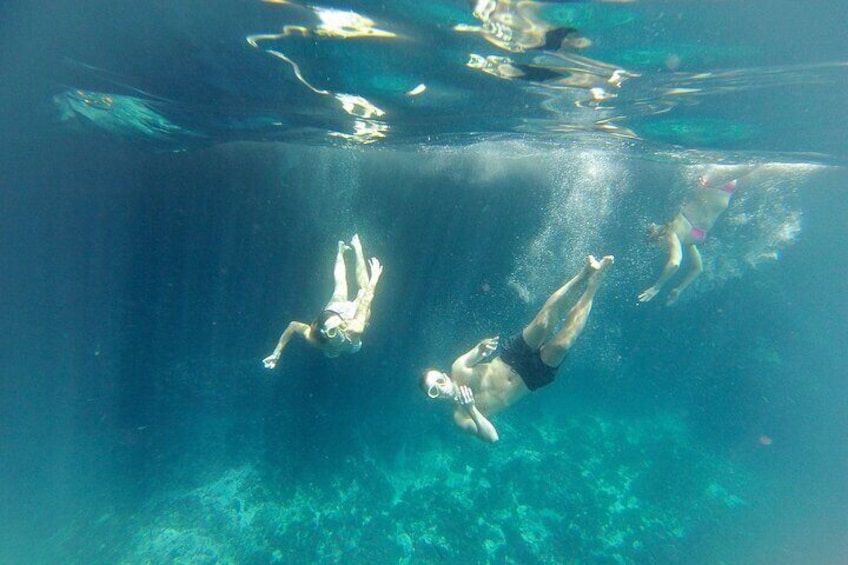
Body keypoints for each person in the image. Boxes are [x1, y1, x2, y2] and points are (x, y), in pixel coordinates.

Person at [420, 255, 614, 443]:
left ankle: (584, 274)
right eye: (434, 391)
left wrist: (482, 348)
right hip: (529, 380)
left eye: (438, 381)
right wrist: (471, 408)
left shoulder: (458, 368)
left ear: (444, 376)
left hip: (510, 357)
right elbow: (492, 438)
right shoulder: (460, 418)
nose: (440, 388)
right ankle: (593, 285)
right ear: (434, 398)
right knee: (562, 345)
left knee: (542, 323)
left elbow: (477, 352)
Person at [638, 165, 758, 305]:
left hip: (712, 184)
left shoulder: (671, 232)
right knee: (750, 165)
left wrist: (657, 287)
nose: (662, 248)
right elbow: (698, 268)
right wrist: (679, 289)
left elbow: (675, 263)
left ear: (656, 239)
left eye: (657, 246)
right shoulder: (686, 243)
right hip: (719, 187)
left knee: (750, 165)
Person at [263, 234, 383, 369]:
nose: (337, 332)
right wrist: (375, 278)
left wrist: (276, 352)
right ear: (324, 335)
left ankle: (343, 250)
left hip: (334, 310)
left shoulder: (346, 328)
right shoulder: (352, 330)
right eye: (333, 331)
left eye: (338, 327)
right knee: (362, 289)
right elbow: (367, 298)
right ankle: (353, 248)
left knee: (342, 285)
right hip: (335, 316)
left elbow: (293, 326)